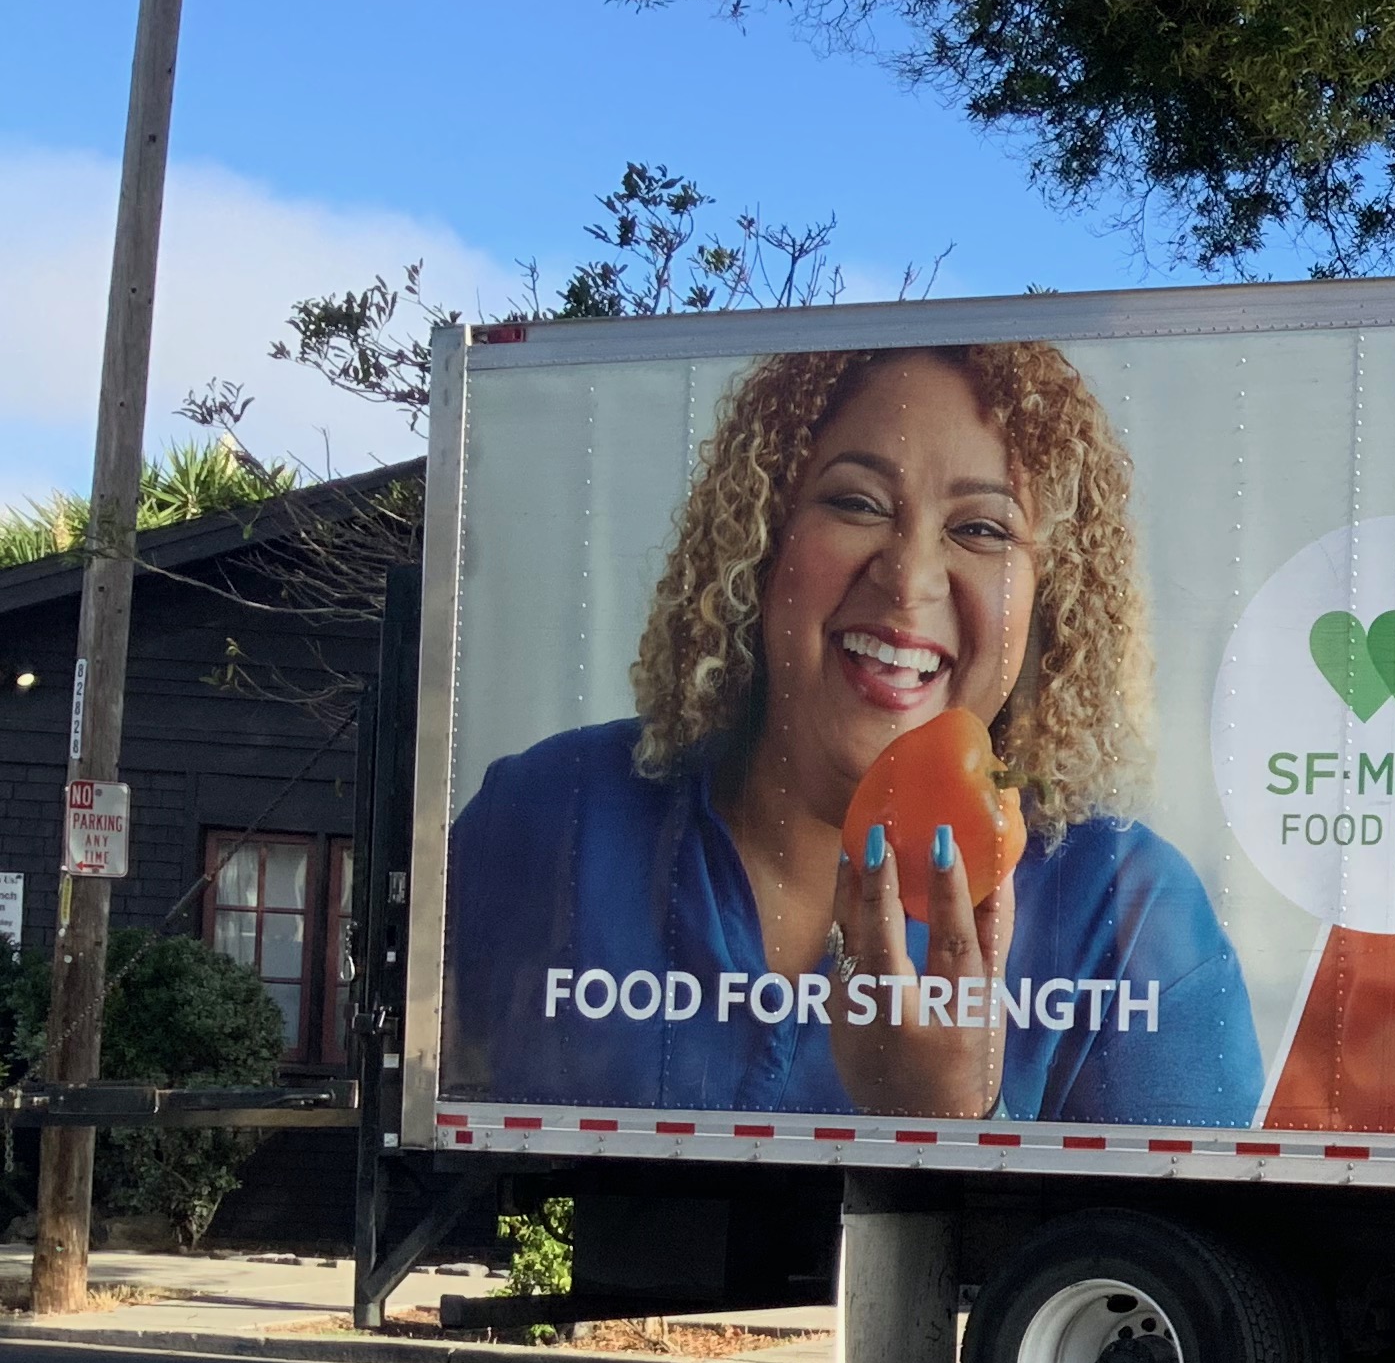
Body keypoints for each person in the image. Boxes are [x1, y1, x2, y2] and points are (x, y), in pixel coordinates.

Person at [448, 341, 1261, 1124]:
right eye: (857, 503)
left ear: (1051, 597)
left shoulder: (1131, 917)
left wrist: (963, 1123)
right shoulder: (551, 814)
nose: (909, 580)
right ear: (763, 539)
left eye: (982, 528)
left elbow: (1172, 1220)